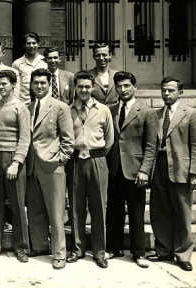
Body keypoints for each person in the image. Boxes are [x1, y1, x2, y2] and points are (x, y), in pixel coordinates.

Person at [147, 77, 196, 271]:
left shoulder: (191, 114)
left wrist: (195, 173)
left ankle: (183, 254)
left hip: (181, 167)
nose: (166, 94)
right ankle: (164, 250)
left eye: (171, 90)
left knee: (182, 212)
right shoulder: (155, 115)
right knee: (159, 210)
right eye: (164, 90)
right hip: (159, 167)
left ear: (180, 92)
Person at [105, 71, 157, 268]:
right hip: (114, 168)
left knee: (136, 212)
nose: (123, 90)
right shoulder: (109, 110)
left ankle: (139, 253)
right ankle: (113, 248)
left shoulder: (146, 112)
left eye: (127, 86)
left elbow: (151, 145)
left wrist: (145, 170)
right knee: (114, 210)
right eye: (119, 86)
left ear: (134, 87)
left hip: (135, 170)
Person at [25, 68, 74, 270]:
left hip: (52, 165)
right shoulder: (27, 107)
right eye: (35, 82)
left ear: (49, 84)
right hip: (32, 165)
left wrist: (59, 161)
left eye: (43, 83)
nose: (39, 86)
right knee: (36, 209)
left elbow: (68, 140)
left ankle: (59, 253)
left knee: (55, 212)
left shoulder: (60, 107)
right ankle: (39, 245)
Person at [65, 71, 114, 268]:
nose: (84, 90)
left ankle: (99, 252)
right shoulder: (67, 110)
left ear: (92, 87)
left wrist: (97, 154)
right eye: (80, 87)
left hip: (97, 160)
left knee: (98, 207)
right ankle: (77, 249)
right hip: (75, 162)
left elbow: (109, 140)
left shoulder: (103, 110)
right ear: (75, 88)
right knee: (76, 208)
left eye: (87, 86)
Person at [0, 70, 30, 263]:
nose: (1, 87)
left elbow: (25, 138)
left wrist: (16, 162)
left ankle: (21, 247)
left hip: (14, 160)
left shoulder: (21, 108)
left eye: (5, 84)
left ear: (13, 85)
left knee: (18, 204)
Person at [12, 32, 47, 105]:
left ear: (38, 44)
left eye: (34, 43)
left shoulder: (45, 62)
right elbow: (15, 87)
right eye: (28, 43)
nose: (31, 46)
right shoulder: (17, 63)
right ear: (24, 45)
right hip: (24, 103)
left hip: (42, 103)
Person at [87, 43, 119, 107]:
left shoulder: (117, 75)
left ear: (110, 55)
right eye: (98, 55)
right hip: (95, 114)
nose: (101, 58)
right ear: (94, 57)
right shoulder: (87, 75)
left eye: (104, 55)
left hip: (114, 115)